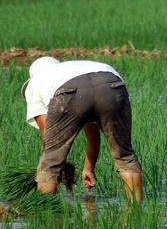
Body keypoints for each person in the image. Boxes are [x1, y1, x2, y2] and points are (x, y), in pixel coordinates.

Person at [22, 56, 143, 202]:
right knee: (124, 156)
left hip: (69, 91)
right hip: (111, 83)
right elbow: (93, 137)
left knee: (50, 162)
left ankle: (45, 214)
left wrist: (59, 163)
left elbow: (47, 138)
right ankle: (137, 212)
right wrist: (88, 168)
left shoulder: (36, 82)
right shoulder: (75, 67)